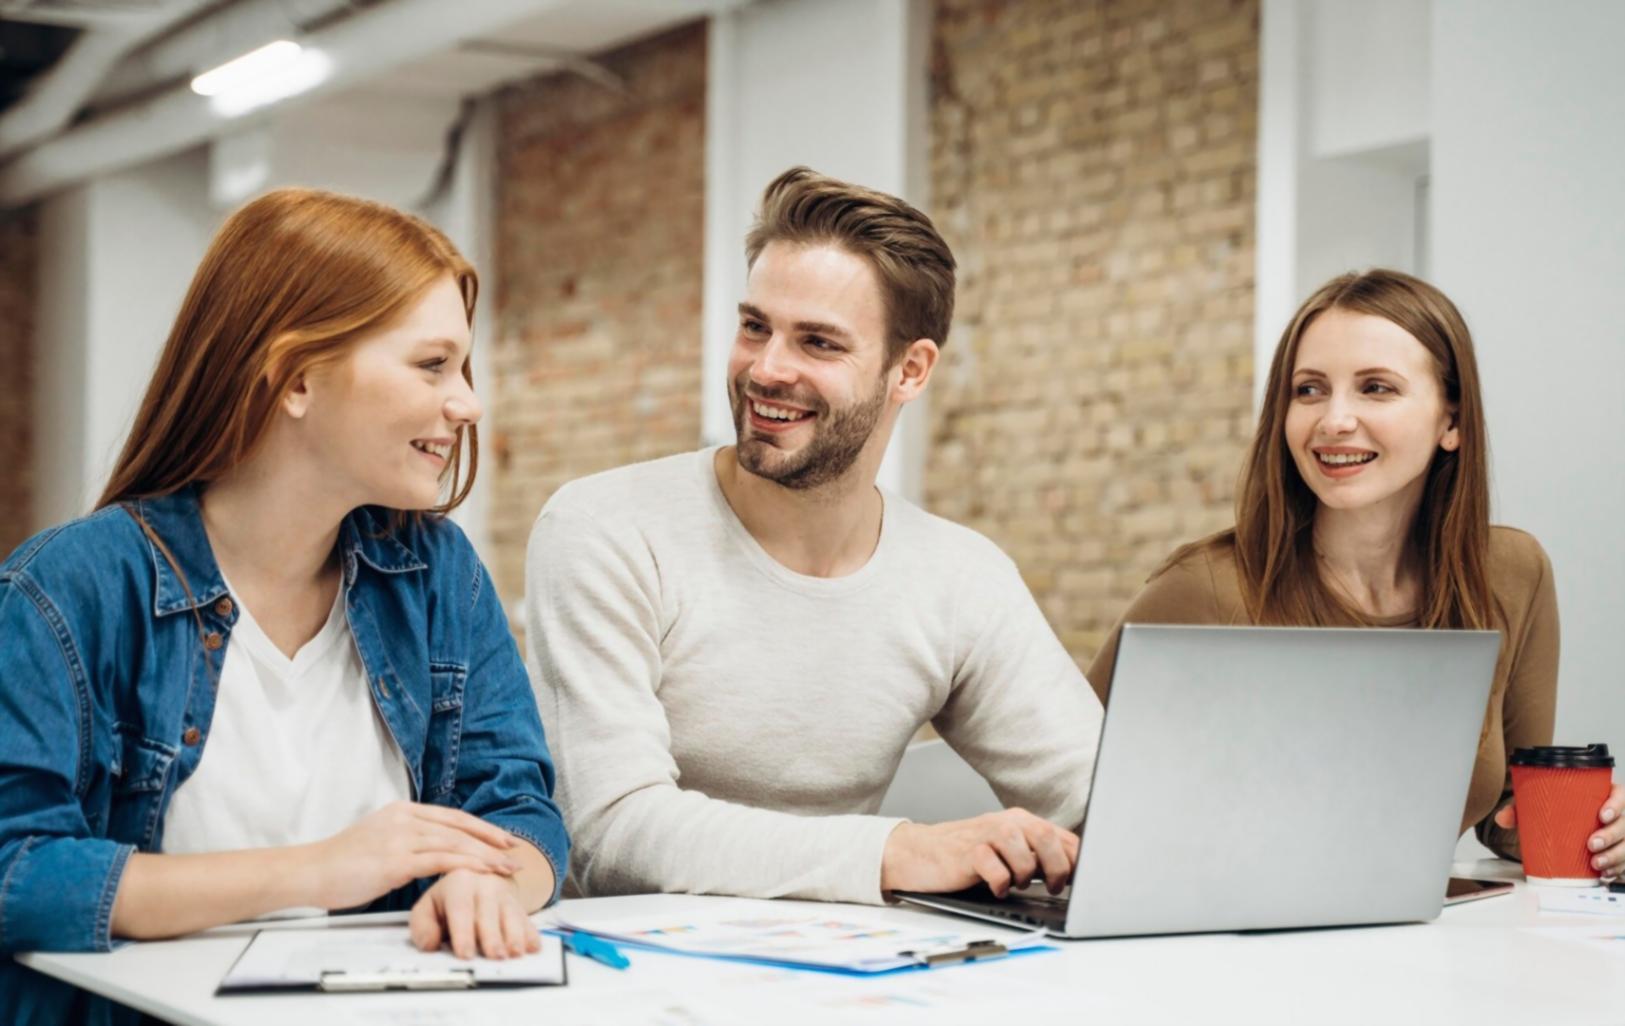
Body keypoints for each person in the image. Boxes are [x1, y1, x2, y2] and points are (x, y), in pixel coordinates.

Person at [0, 189, 568, 1025]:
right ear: (296, 377)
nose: (467, 404)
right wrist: (318, 871)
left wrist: (485, 879)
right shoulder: (68, 589)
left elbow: (519, 809)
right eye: (431, 365)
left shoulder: (437, 576)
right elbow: (17, 872)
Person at [525, 167, 1103, 905]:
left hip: (854, 979)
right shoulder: (604, 529)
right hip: (645, 982)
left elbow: (1102, 796)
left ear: (910, 370)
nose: (766, 369)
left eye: (818, 343)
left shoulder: (961, 576)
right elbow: (612, 833)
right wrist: (895, 851)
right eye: (754, 327)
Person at [1087, 268, 1623, 871]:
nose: (1334, 420)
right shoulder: (1204, 589)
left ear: (1452, 422)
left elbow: (1508, 815)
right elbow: (1074, 794)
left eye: (1376, 388)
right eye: (1309, 390)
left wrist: (1600, 831)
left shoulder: (1513, 574)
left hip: (1427, 946)